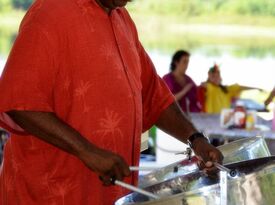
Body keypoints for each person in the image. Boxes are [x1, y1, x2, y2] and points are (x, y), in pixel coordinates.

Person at [0, 0, 223, 204]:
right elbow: (18, 101)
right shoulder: (51, 12)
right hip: (48, 194)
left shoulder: (122, 20)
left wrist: (195, 139)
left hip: (110, 194)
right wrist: (86, 151)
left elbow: (154, 97)